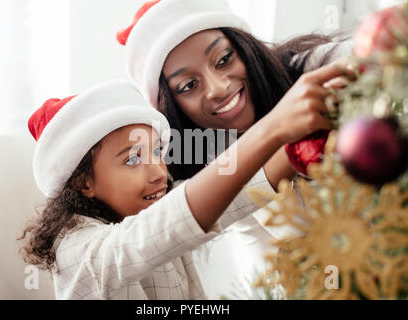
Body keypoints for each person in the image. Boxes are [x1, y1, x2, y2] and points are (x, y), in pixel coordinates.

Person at [19, 73, 346, 299]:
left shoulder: (146, 206)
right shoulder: (76, 252)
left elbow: (237, 191)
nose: (159, 172)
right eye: (133, 159)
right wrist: (274, 127)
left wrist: (306, 138)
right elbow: (157, 230)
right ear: (83, 182)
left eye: (158, 153)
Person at [117, 0, 355, 297]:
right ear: (174, 107)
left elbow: (379, 54)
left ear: (244, 48)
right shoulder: (207, 177)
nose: (217, 88)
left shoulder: (308, 69)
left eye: (223, 59)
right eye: (189, 85)